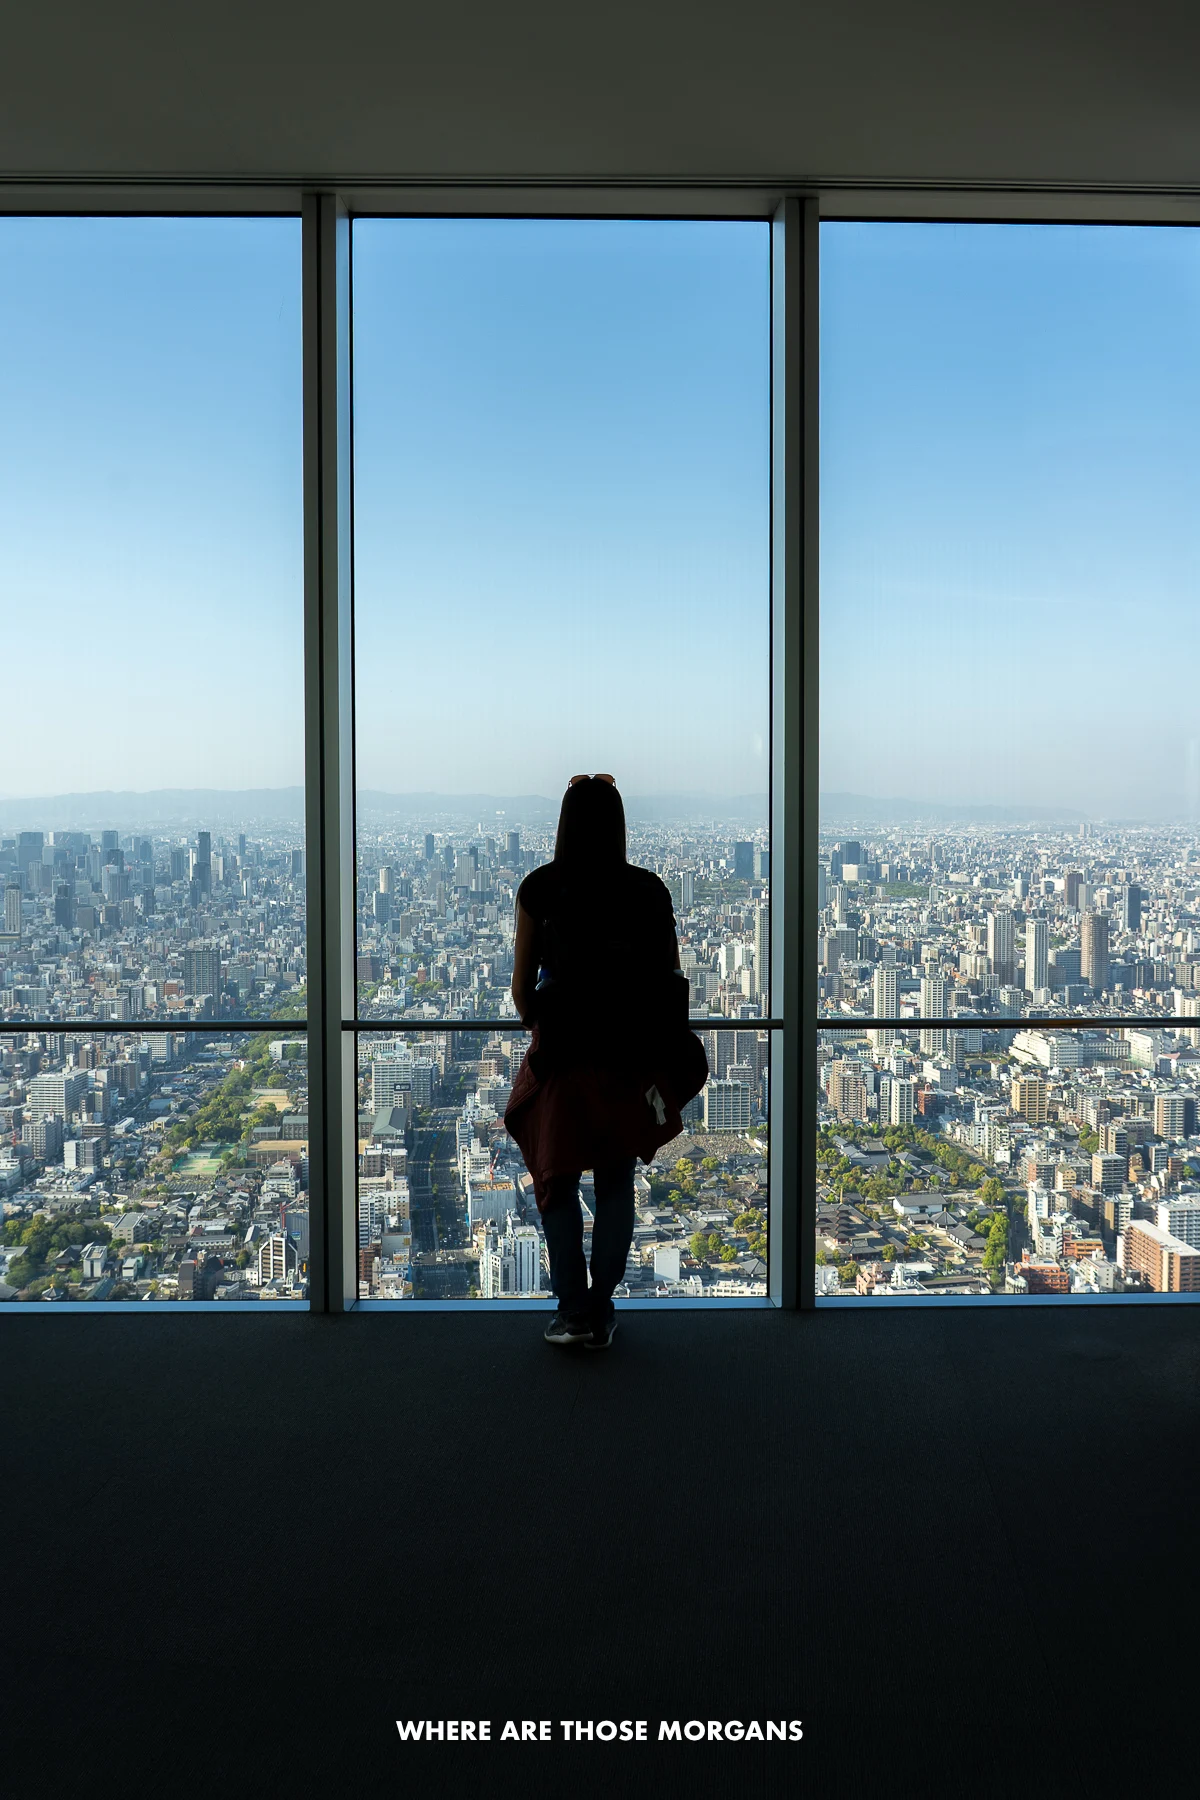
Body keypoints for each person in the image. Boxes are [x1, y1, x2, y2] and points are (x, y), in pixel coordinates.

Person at [504, 775, 708, 1348]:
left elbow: (522, 990)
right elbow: (669, 980)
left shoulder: (540, 889)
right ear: (619, 825)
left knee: (556, 1180)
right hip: (629, 1058)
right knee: (616, 1182)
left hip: (565, 1059)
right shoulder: (647, 891)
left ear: (564, 824)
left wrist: (542, 1017)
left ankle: (572, 1310)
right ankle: (601, 1306)